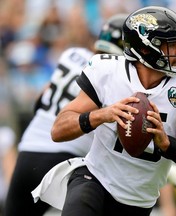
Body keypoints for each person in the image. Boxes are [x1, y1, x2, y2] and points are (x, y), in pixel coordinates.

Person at [32, 6, 176, 216]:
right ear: (145, 49)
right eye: (171, 45)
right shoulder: (108, 72)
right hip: (94, 180)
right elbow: (58, 130)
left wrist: (167, 143)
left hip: (138, 201)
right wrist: (102, 114)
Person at [4, 14, 127, 216]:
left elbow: (41, 99)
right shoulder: (115, 76)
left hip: (28, 149)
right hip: (67, 157)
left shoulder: (72, 54)